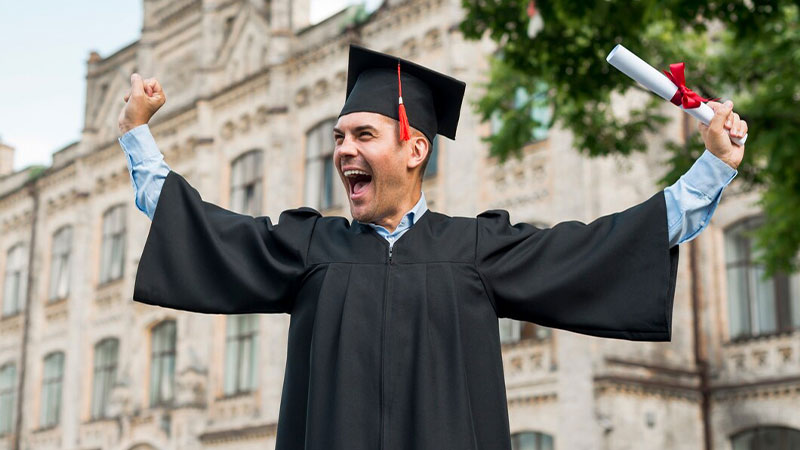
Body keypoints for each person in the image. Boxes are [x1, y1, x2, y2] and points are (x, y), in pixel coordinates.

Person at [117, 45, 746, 450]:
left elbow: (601, 247)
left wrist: (712, 168)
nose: (342, 150)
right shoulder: (309, 248)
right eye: (337, 137)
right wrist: (138, 136)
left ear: (416, 149)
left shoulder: (475, 250)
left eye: (363, 133)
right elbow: (193, 223)